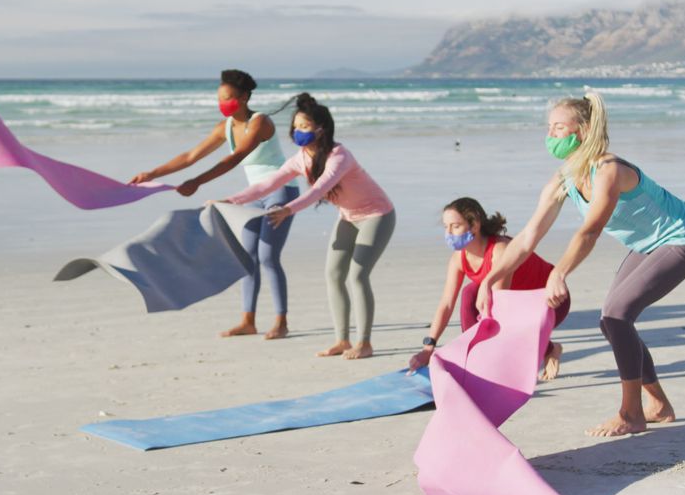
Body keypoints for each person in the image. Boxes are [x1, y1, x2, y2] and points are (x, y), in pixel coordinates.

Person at [475, 92, 685, 437]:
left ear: (582, 132)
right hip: (645, 245)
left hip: (684, 239)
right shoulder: (564, 178)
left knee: (616, 316)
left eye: (559, 128)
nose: (551, 136)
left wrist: (559, 272)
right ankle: (658, 404)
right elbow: (528, 237)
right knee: (611, 321)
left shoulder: (609, 171)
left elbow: (590, 231)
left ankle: (631, 414)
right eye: (549, 128)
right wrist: (490, 278)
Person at [214, 93, 396, 360]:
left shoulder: (339, 156)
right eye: (295, 127)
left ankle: (364, 343)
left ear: (321, 129)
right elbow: (269, 183)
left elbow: (320, 188)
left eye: (304, 127)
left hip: (377, 215)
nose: (297, 132)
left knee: (357, 276)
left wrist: (288, 209)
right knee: (333, 275)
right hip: (347, 217)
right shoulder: (301, 158)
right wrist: (231, 200)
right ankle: (342, 340)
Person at [129, 69, 299, 339]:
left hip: (280, 191)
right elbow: (190, 156)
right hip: (254, 195)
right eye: (220, 99)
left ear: (244, 97)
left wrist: (197, 182)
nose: (223, 104)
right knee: (247, 258)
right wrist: (152, 174)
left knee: (268, 257)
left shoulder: (260, 122)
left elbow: (235, 158)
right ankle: (248, 321)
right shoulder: (226, 127)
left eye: (228, 98)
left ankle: (281, 322)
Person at [406, 197, 568, 379]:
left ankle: (550, 349)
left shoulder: (500, 251)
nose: (449, 233)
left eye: (455, 226)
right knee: (470, 293)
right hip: (516, 302)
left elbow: (500, 310)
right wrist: (428, 348)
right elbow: (446, 304)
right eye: (446, 227)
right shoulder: (458, 258)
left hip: (550, 301)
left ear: (474, 225)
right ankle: (473, 357)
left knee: (498, 318)